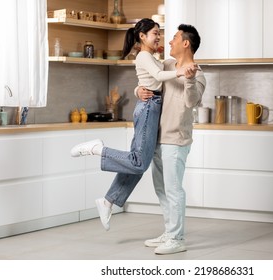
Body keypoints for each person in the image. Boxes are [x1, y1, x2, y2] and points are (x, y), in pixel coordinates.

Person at [70, 18, 196, 231]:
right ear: (142, 36)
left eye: (161, 33)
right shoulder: (144, 55)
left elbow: (149, 79)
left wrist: (139, 88)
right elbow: (157, 76)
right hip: (148, 109)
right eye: (156, 33)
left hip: (151, 106)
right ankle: (98, 150)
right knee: (139, 162)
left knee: (137, 164)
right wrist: (180, 72)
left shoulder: (155, 57)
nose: (160, 37)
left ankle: (109, 201)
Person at [137, 24, 206, 255]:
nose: (169, 41)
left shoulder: (199, 73)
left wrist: (190, 79)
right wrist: (139, 90)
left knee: (174, 189)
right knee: (162, 189)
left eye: (174, 37)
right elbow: (151, 79)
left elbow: (191, 102)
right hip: (156, 136)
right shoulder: (166, 65)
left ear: (185, 43)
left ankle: (177, 239)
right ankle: (169, 232)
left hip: (176, 139)